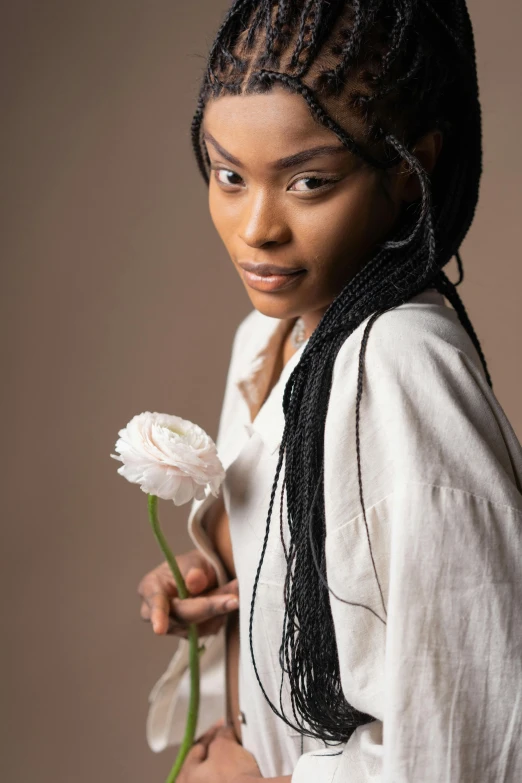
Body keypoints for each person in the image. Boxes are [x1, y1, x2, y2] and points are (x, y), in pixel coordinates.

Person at [138, 2, 522, 781]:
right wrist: (232, 582)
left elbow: (473, 735)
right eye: (228, 175)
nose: (256, 228)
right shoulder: (271, 339)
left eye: (309, 181)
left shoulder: (403, 369)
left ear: (412, 173)